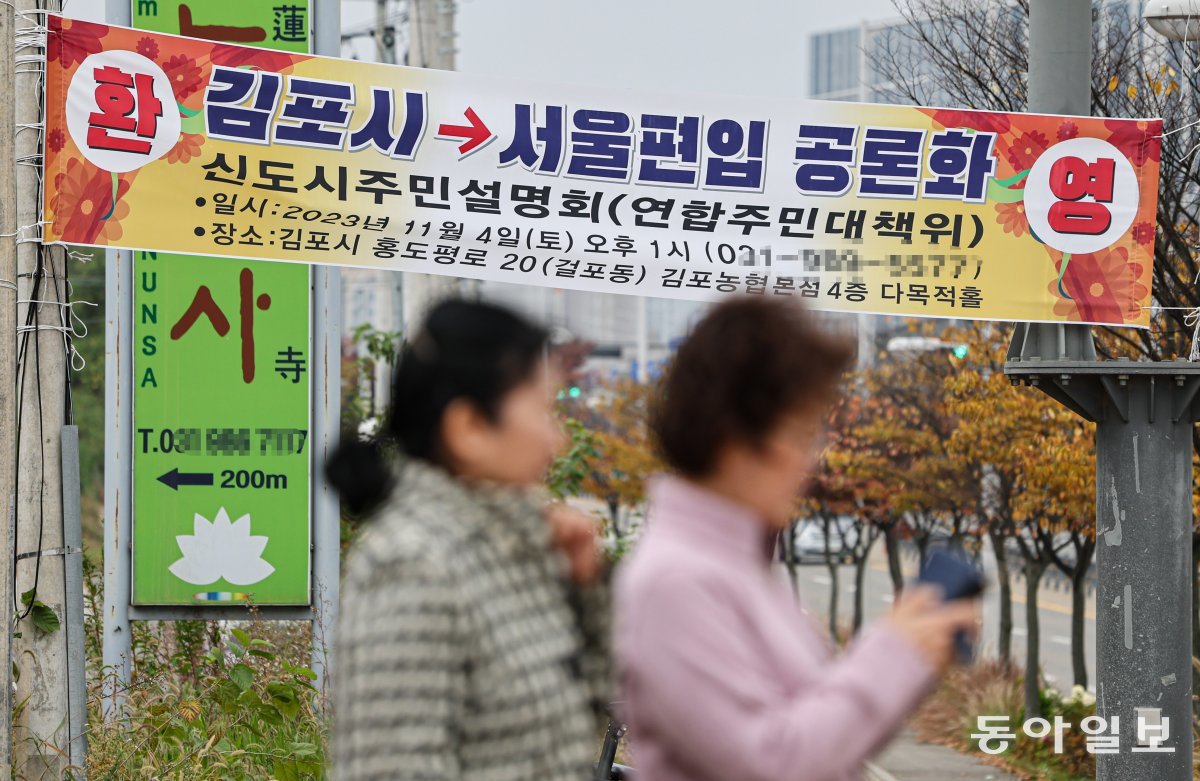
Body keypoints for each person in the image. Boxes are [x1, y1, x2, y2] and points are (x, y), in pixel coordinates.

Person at [614, 296, 980, 781]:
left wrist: (911, 653)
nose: (812, 460)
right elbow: (770, 763)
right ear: (733, 439)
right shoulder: (676, 580)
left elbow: (821, 743)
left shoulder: (736, 563)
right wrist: (893, 652)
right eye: (801, 434)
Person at [329, 299, 610, 781]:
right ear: (469, 428)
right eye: (543, 412)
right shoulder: (412, 564)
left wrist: (587, 588)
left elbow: (602, 702)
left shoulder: (511, 544)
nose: (556, 441)